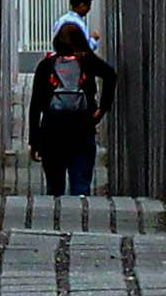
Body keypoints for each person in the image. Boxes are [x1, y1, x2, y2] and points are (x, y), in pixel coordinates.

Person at [28, 19, 117, 197]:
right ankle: (81, 215)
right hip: (83, 127)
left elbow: (35, 105)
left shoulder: (46, 66)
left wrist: (34, 141)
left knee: (55, 187)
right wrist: (102, 108)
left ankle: (57, 218)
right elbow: (110, 75)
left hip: (52, 131)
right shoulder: (87, 61)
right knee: (81, 184)